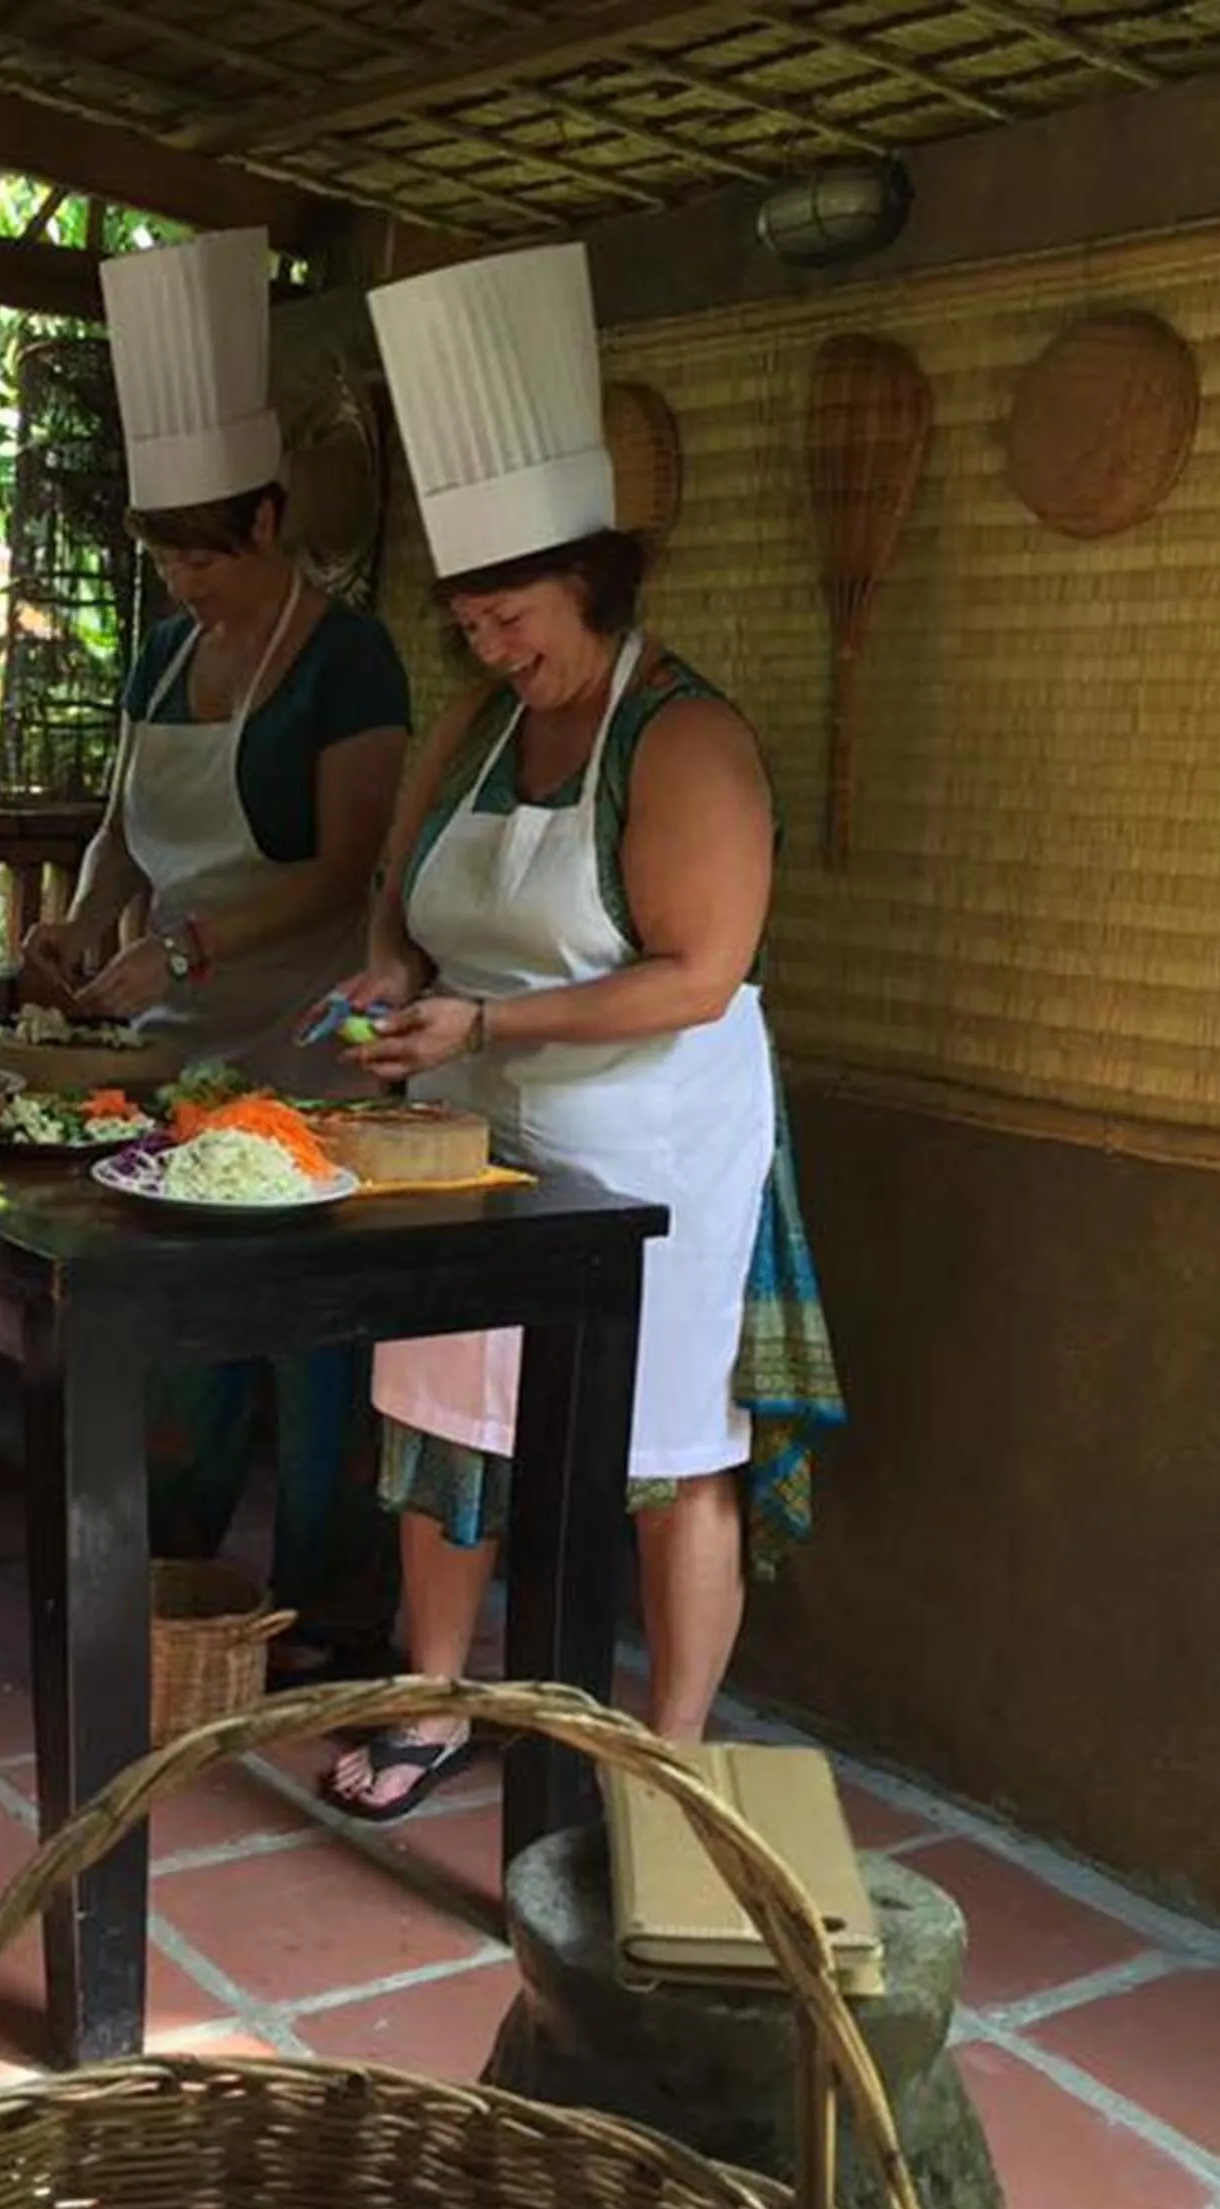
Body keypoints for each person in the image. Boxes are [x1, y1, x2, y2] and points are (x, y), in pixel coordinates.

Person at [321, 241, 804, 1820]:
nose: (487, 645)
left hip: (651, 1138)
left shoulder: (687, 739)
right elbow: (400, 889)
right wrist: (398, 979)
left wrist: (495, 1013)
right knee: (447, 1407)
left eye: (511, 613)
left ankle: (664, 1745)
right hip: (480, 1123)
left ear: (590, 579)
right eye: (466, 618)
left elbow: (700, 973)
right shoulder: (476, 727)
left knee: (665, 1441)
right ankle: (443, 1701)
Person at [19, 229, 409, 1681]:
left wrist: (182, 937)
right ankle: (170, 1584)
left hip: (307, 1040)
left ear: (264, 520)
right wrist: (76, 918)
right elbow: (126, 822)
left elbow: (341, 871)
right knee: (184, 1338)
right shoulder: (164, 654)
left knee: (313, 1350)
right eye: (163, 554)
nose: (181, 578)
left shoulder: (351, 655)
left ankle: (325, 1611)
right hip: (173, 1039)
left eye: (199, 550)